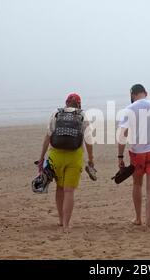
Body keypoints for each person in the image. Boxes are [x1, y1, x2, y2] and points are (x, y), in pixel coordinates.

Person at [37, 93, 95, 231]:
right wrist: (91, 159)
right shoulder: (82, 116)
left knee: (59, 188)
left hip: (55, 156)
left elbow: (47, 137)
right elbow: (88, 140)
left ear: (66, 103)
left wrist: (41, 158)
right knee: (69, 191)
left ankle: (61, 220)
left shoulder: (56, 114)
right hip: (74, 156)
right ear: (79, 104)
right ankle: (67, 225)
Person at [118, 84, 150, 231]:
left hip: (138, 152)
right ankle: (148, 222)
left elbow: (122, 135)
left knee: (137, 185)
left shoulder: (130, 108)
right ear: (146, 93)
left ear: (133, 95)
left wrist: (120, 156)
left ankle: (138, 218)